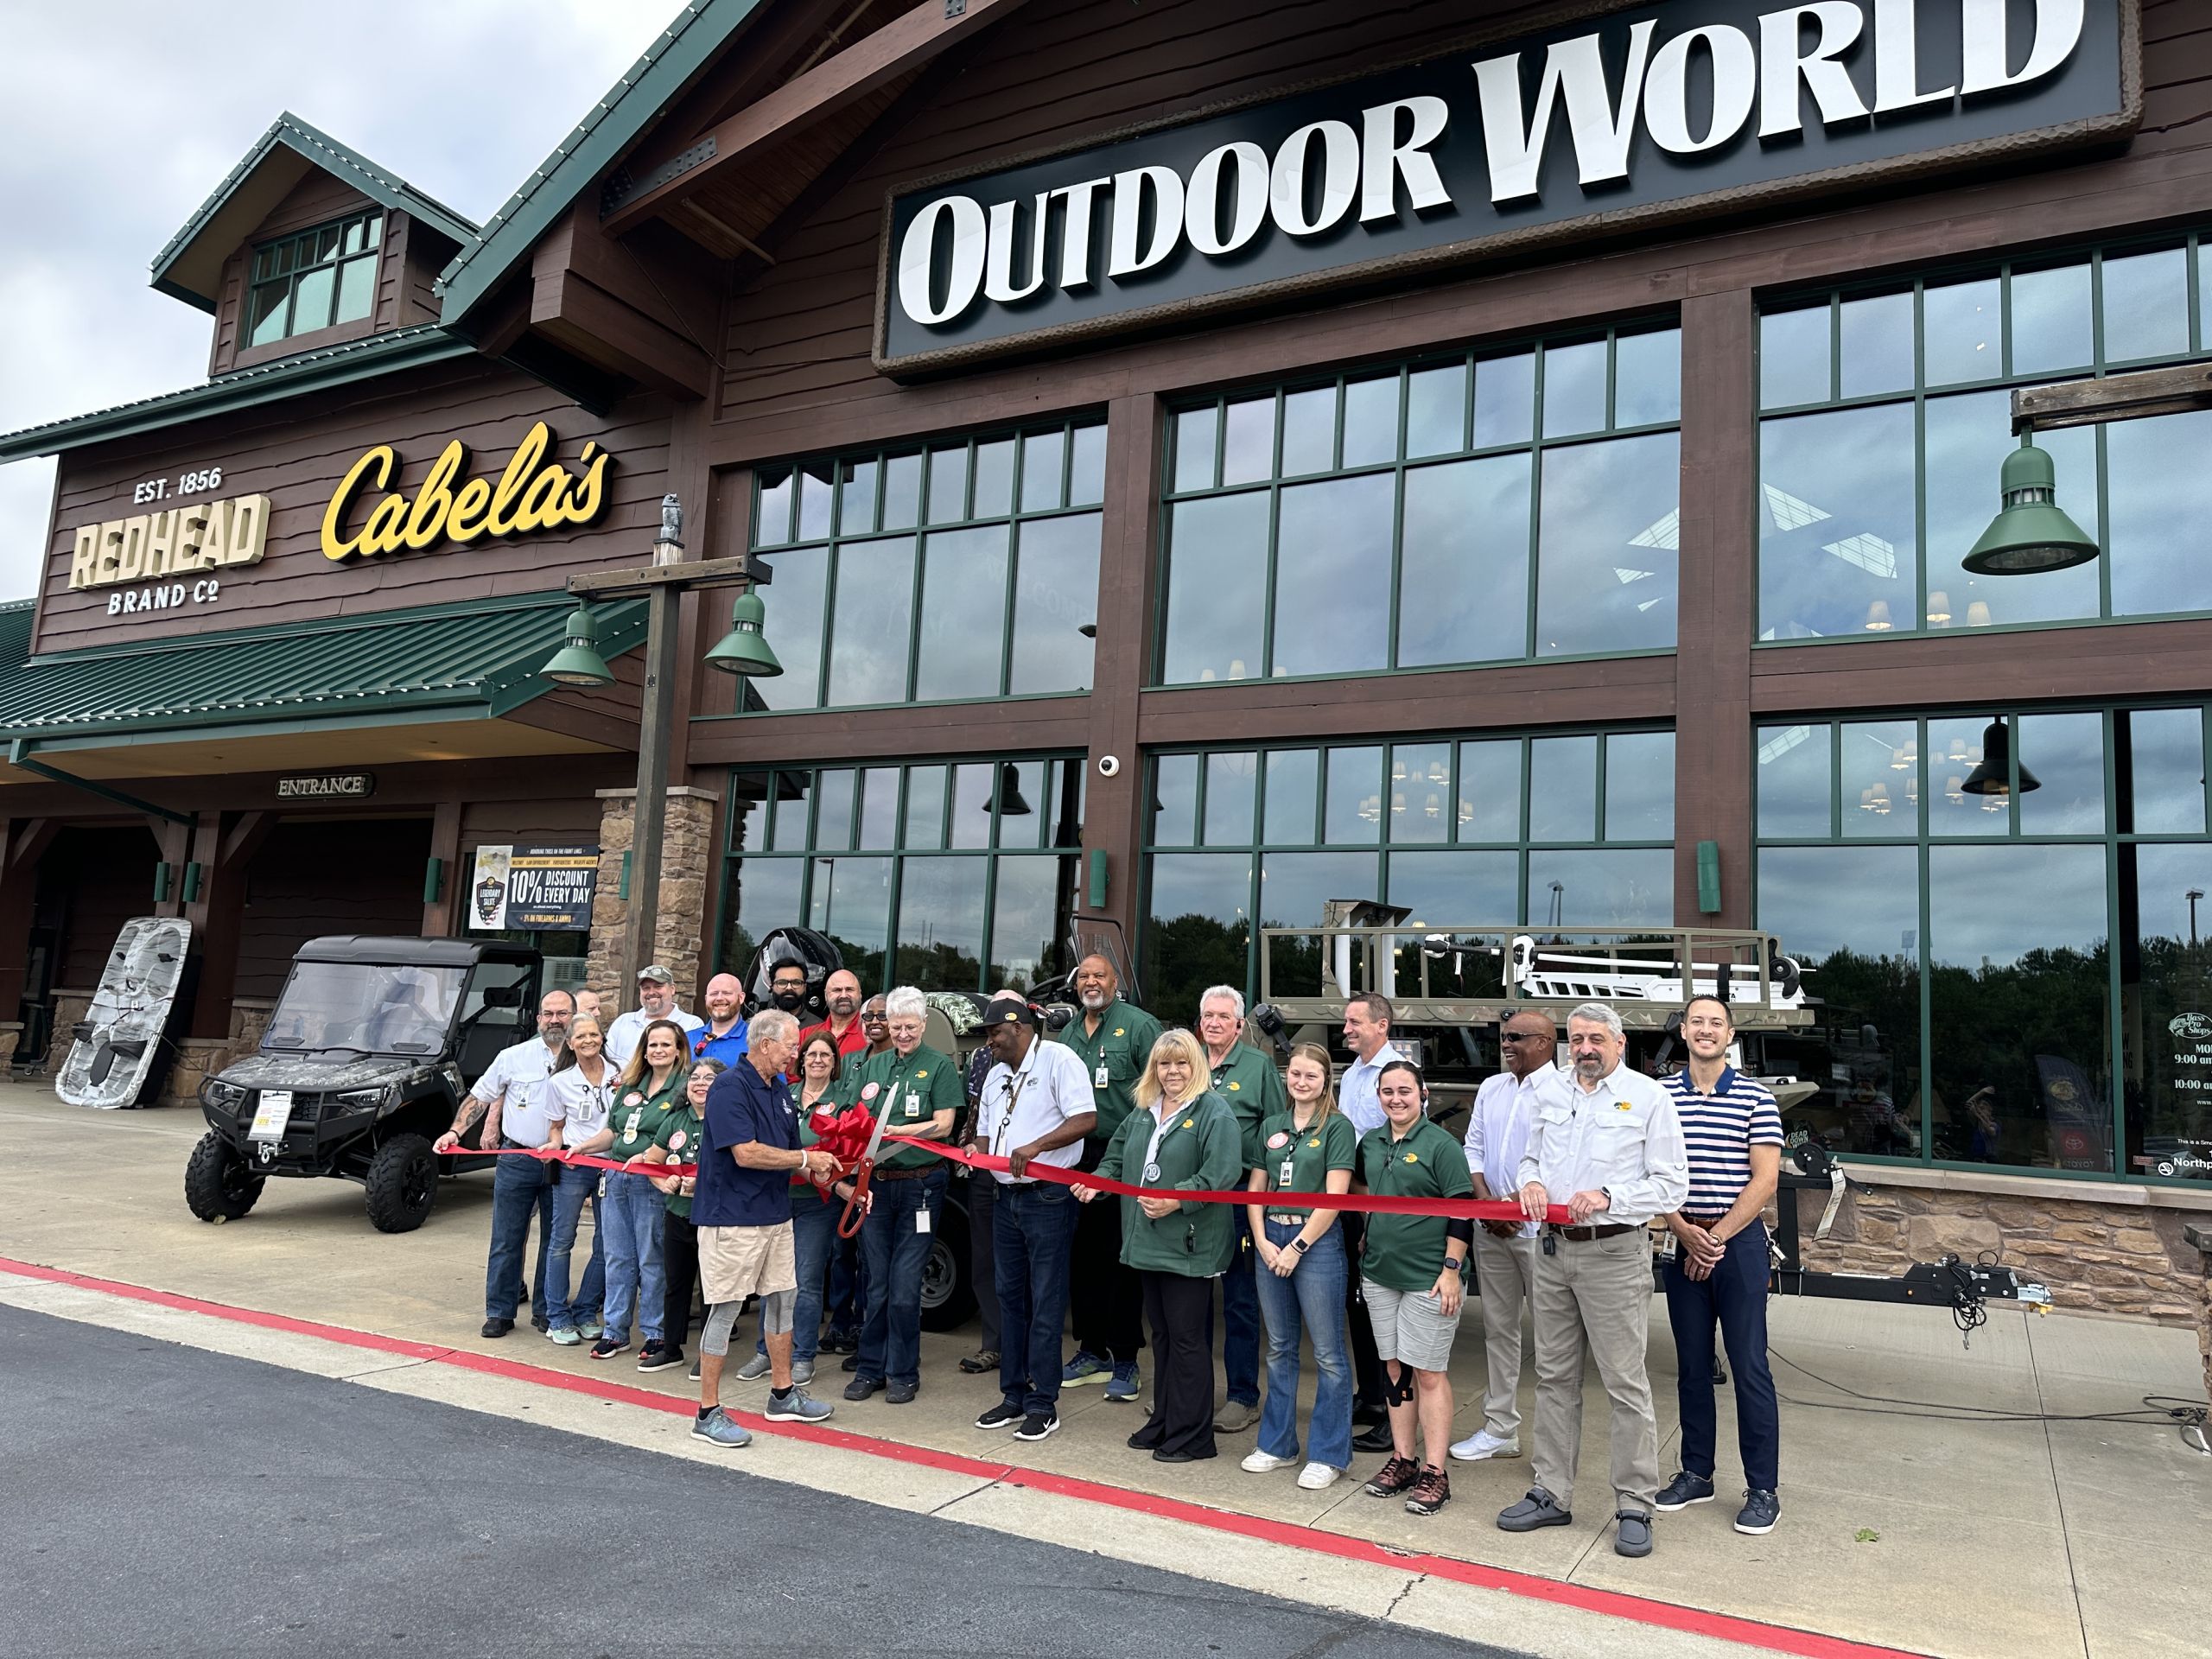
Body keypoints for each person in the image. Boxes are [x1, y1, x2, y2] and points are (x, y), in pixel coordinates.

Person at [1502, 1001, 1688, 1560]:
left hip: (1613, 1253)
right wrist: (1530, 1184)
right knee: (1554, 1378)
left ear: (1620, 1043)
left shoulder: (1651, 1099)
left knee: (1624, 1385)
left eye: (1596, 1040)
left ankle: (1635, 1504)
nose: (1584, 1048)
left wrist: (1610, 1197)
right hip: (1552, 1251)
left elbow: (1672, 1185)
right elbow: (1530, 1158)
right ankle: (1551, 1493)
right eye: (1576, 1038)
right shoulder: (1550, 1092)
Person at [1075, 1029, 1243, 1464]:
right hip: (1148, 1242)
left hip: (1190, 1244)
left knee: (1188, 1340)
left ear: (1197, 1066)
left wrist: (1177, 1197)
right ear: (1155, 1068)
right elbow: (1115, 1158)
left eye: (1182, 1063)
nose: (1173, 1072)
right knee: (1164, 1336)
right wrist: (1097, 1186)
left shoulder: (1214, 1112)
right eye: (1165, 1064)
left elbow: (1221, 1173)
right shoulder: (1143, 1111)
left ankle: (1193, 1436)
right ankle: (1166, 1421)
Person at [1658, 995, 1784, 1537]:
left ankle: (1762, 1489)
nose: (1706, 1030)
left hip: (1739, 1244)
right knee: (1691, 1365)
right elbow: (1644, 1167)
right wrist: (1684, 1232)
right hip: (1683, 1237)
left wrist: (1715, 1239)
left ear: (1730, 1035)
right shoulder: (1659, 1095)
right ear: (1683, 1031)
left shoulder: (1757, 1098)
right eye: (1697, 1022)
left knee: (1749, 1365)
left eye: (1717, 1023)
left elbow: (1765, 1179)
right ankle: (1696, 1472)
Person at [690, 1009, 839, 1447]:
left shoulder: (780, 1090)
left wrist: (833, 1179)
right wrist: (808, 1161)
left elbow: (790, 1153)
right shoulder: (728, 1088)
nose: (797, 1053)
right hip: (732, 1219)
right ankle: (707, 1412)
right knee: (725, 1308)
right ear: (765, 1043)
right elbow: (747, 1153)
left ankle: (782, 1393)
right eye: (792, 1045)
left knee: (783, 1301)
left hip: (775, 1214)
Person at [971, 994, 1096, 1442]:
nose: (989, 1043)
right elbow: (986, 1131)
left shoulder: (1059, 1059)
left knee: (1045, 1302)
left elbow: (1086, 1119)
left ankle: (1044, 1402)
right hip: (1004, 1197)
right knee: (1010, 1299)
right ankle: (1013, 1394)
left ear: (1020, 1027)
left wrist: (1036, 1146)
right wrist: (977, 1154)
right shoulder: (994, 1073)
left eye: (995, 1034)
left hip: (1048, 1197)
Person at [1355, 1060, 1476, 1517]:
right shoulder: (1372, 1142)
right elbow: (1366, 1192)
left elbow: (1461, 1211)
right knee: (1393, 1368)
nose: (1396, 1099)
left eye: (1405, 1090)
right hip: (1381, 1273)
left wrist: (1451, 1270)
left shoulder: (1441, 1145)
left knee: (1428, 1372)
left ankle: (1434, 1472)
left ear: (1423, 1094)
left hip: (1429, 1278)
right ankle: (1402, 1460)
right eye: (1387, 1091)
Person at [1451, 1010, 1567, 1465]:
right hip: (1493, 1227)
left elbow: (1559, 1158)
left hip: (1539, 1232)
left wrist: (1514, 1209)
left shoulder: (1565, 1092)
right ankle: (1501, 1429)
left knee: (1554, 1336)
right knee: (1499, 1330)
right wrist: (1489, 1205)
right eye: (1503, 1036)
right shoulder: (1492, 1088)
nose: (1506, 1044)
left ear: (1544, 1043)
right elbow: (1473, 1147)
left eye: (1516, 1037)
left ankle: (1555, 1441)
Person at [1239, 1041, 1356, 1490]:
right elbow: (1255, 1189)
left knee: (1327, 1354)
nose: (1301, 1081)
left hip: (1316, 1243)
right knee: (1280, 1348)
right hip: (1272, 1237)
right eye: (1294, 1074)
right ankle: (1277, 1445)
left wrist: (1298, 1247)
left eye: (1311, 1075)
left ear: (1326, 1080)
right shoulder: (1272, 1125)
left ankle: (1328, 1453)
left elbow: (1334, 1198)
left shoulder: (1338, 1128)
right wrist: (1265, 1241)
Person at [842, 986, 962, 1405]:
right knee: (875, 1281)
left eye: (911, 1026)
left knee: (906, 1284)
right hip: (875, 1185)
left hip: (921, 1187)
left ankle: (903, 1372)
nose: (904, 1034)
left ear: (924, 1025)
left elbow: (945, 1124)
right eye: (897, 1027)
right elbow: (855, 1117)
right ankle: (870, 1369)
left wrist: (894, 1132)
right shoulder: (873, 1068)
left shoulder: (940, 1067)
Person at [1054, 953, 1162, 1403]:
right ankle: (1091, 1351)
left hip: (1123, 1155)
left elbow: (1160, 1087)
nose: (1090, 982)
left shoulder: (1139, 1025)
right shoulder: (1067, 1031)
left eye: (1099, 975)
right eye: (1084, 977)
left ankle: (1125, 1359)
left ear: (1115, 982)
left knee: (1122, 1259)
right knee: (1082, 1257)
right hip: (1074, 1154)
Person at [436, 988, 572, 1339]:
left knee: (555, 1241)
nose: (555, 1020)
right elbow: (480, 1095)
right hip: (518, 1157)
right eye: (548, 1013)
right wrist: (456, 1131)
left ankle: (546, 1310)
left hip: (565, 1161)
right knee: (506, 1239)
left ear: (574, 1016)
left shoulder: (587, 1057)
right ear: (539, 1018)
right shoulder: (514, 1056)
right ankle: (499, 1311)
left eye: (562, 1013)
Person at [737, 1029, 857, 1387]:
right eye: (811, 1054)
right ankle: (765, 1352)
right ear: (800, 1060)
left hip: (817, 1205)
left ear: (835, 1063)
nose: (817, 1060)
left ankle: (802, 1354)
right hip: (776, 1198)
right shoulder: (783, 1094)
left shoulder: (846, 1102)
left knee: (804, 1282)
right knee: (769, 1280)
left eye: (826, 1055)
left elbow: (846, 1154)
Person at [1198, 984, 1286, 1435]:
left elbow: (1277, 1134)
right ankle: (1189, 1390)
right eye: (1208, 1015)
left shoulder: (1257, 1067)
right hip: (1189, 1199)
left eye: (1223, 1016)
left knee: (1239, 1301)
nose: (1214, 1022)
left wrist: (1264, 1200)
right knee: (1188, 1298)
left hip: (1236, 1199)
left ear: (1238, 1024)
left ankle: (1242, 1396)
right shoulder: (1187, 1062)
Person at [586, 1019, 688, 1363]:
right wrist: (581, 1148)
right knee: (617, 1256)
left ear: (678, 1050)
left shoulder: (684, 1089)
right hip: (616, 1178)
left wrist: (646, 1160)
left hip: (653, 1182)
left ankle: (655, 1333)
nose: (658, 1050)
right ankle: (615, 1331)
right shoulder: (630, 1086)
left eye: (665, 1045)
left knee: (651, 1259)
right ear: (644, 1050)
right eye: (652, 1044)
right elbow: (613, 1133)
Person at [1338, 992, 1409, 1452]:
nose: (1346, 1028)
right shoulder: (1350, 1075)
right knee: (1359, 1304)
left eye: (1355, 1022)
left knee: (1388, 1311)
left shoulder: (1396, 1076)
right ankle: (1370, 1395)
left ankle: (1394, 1410)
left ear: (1381, 1026)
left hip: (1382, 1206)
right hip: (1351, 1201)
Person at [539, 1014, 618, 1347]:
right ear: (570, 1043)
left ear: (602, 1037)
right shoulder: (559, 1082)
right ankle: (557, 1316)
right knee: (562, 1240)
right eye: (581, 1036)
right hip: (574, 1166)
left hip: (612, 1166)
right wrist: (553, 1147)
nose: (588, 1040)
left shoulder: (621, 1073)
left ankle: (586, 1311)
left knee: (606, 1242)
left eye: (593, 1034)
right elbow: (556, 1129)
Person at [637, 1057, 719, 1374]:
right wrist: (664, 1182)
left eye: (709, 1079)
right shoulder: (675, 1120)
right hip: (677, 1214)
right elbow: (651, 1161)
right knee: (676, 1283)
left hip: (713, 1217)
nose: (700, 1083)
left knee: (712, 1289)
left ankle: (709, 1354)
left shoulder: (727, 1119)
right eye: (695, 1078)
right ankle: (671, 1348)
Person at [958, 1037, 1001, 1376]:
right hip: (982, 1172)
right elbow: (969, 1109)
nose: (995, 1034)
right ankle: (993, 1345)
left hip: (1028, 1174)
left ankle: (1025, 1349)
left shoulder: (1047, 1060)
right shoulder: (980, 1058)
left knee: (1025, 1267)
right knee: (984, 1259)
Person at [607, 964, 704, 1071]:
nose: (651, 992)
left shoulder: (692, 1024)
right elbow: (606, 1061)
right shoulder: (623, 1022)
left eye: (658, 986)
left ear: (672, 989)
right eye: (646, 988)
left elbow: (690, 1066)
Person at [799, 969, 870, 1058]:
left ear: (860, 994)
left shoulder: (870, 1034)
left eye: (849, 989)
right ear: (826, 995)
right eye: (837, 990)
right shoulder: (807, 1034)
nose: (844, 995)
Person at [691, 973, 750, 1067]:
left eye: (727, 993)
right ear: (706, 999)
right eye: (714, 994)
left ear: (741, 998)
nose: (719, 998)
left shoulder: (756, 1040)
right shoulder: (686, 1039)